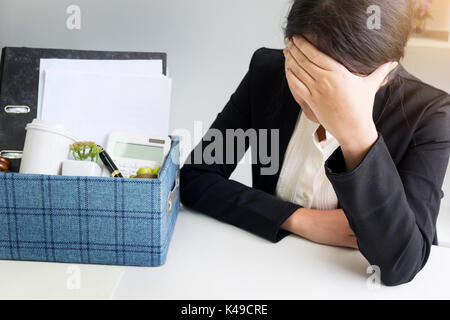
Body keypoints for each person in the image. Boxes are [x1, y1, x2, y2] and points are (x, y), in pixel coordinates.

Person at [180, 0, 450, 286]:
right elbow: (196, 177)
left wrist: (357, 135)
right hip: (267, 271)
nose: (313, 94)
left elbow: (400, 265)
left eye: (333, 82)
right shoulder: (268, 72)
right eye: (303, 71)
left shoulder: (430, 114)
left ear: (384, 72)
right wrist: (298, 219)